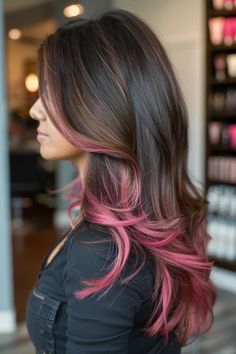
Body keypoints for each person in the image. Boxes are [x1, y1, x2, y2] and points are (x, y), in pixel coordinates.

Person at [26, 8, 216, 354]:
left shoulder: (103, 252)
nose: (35, 110)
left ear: (100, 108)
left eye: (49, 93)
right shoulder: (139, 221)